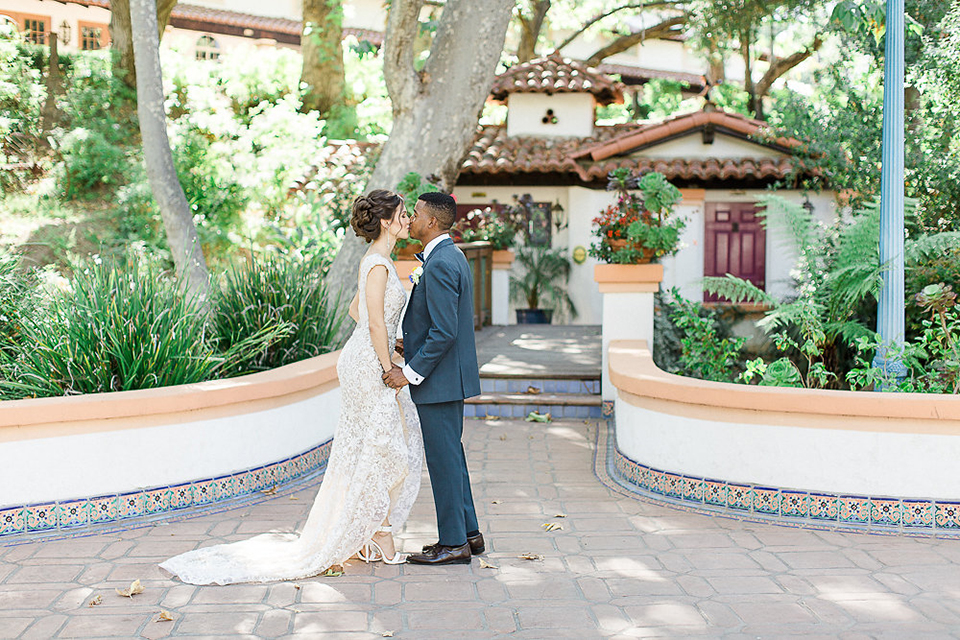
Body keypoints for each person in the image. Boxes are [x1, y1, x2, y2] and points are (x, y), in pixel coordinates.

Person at [159, 190, 423, 584]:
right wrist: (388, 364)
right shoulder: (380, 265)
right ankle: (378, 536)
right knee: (379, 445)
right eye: (403, 214)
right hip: (369, 366)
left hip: (365, 357)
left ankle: (372, 533)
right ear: (385, 221)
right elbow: (372, 323)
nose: (407, 220)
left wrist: (386, 345)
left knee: (373, 445)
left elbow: (358, 311)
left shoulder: (375, 262)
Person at [383, 191, 484, 565]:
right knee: (451, 457)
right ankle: (469, 534)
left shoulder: (440, 262)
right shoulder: (448, 255)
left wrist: (407, 373)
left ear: (432, 222)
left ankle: (453, 543)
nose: (410, 219)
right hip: (446, 378)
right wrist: (408, 344)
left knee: (443, 461)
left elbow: (445, 332)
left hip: (438, 382)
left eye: (417, 213)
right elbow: (440, 325)